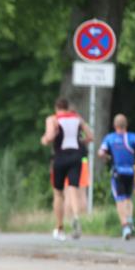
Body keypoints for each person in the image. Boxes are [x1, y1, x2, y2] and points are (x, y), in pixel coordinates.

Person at [41, 98, 93, 241]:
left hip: (61, 157)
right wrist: (79, 142)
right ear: (67, 107)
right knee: (73, 188)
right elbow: (91, 136)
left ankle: (60, 227)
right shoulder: (77, 118)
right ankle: (76, 217)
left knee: (58, 193)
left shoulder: (53, 119)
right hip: (76, 157)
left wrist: (44, 139)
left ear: (56, 107)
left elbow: (50, 136)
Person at [98, 113, 135, 240]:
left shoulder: (109, 138)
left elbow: (101, 152)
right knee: (128, 198)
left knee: (119, 199)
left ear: (115, 125)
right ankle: (130, 218)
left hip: (118, 172)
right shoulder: (132, 137)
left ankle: (125, 226)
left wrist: (107, 157)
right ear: (126, 125)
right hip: (131, 172)